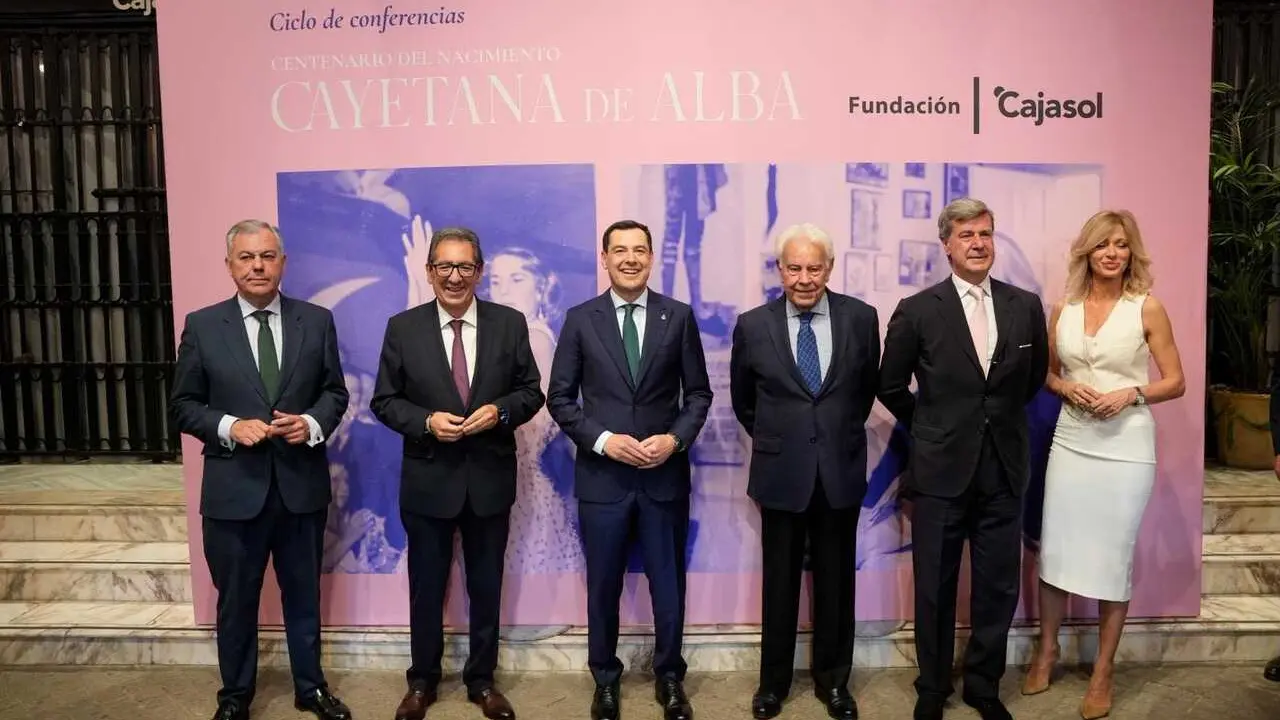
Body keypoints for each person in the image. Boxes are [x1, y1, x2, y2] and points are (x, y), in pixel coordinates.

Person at [169, 219, 353, 720]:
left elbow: (335, 393)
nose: (257, 266)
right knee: (236, 601)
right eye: (247, 257)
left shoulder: (316, 321)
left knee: (304, 596)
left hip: (300, 488)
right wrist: (230, 426)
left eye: (267, 256)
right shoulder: (204, 325)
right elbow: (183, 405)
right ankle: (235, 697)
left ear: (282, 263)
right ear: (230, 265)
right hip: (234, 491)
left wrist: (310, 423)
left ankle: (311, 688)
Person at [877, 198, 1049, 720]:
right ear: (947, 245)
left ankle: (983, 685)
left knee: (998, 586)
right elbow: (890, 384)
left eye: (985, 234)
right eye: (967, 235)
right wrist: (931, 427)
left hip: (1004, 469)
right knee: (935, 584)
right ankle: (932, 687)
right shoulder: (918, 309)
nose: (978, 244)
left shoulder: (1025, 306)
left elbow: (1031, 380)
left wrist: (990, 424)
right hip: (939, 471)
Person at [369, 226, 545, 720]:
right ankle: (422, 682)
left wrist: (500, 412)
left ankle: (482, 681)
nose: (454, 276)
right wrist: (426, 422)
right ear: (429, 272)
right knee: (426, 588)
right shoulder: (403, 328)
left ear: (479, 272)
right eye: (444, 266)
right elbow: (384, 400)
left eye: (465, 266)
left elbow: (531, 393)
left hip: (489, 481)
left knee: (486, 587)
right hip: (429, 481)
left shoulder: (509, 324)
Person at [546, 219, 712, 720]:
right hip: (604, 481)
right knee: (603, 586)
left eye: (639, 250)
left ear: (651, 257)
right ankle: (605, 679)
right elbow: (559, 398)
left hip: (664, 478)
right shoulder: (581, 319)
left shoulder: (677, 317)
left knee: (669, 586)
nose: (630, 259)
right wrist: (604, 441)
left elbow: (698, 394)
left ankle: (670, 678)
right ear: (605, 258)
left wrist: (674, 440)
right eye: (619, 250)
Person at [1023, 210, 1185, 718]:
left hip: (1126, 446)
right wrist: (1065, 386)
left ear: (1131, 252)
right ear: (1086, 252)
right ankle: (1046, 651)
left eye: (1120, 244)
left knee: (1113, 557)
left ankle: (1103, 670)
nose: (1112, 253)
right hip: (1071, 440)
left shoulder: (1147, 307)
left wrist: (1131, 393)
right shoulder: (1064, 308)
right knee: (1056, 550)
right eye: (1102, 245)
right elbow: (1045, 373)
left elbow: (1175, 380)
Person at [729, 222, 880, 720]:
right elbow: (744, 402)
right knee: (779, 584)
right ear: (779, 269)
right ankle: (772, 685)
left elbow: (862, 393)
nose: (804, 278)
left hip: (840, 469)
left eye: (814, 268)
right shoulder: (753, 325)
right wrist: (783, 441)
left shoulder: (861, 319)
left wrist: (830, 436)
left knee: (837, 585)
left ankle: (834, 683)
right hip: (781, 473)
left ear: (829, 268)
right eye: (794, 268)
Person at [486, 247, 584, 574]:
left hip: (516, 488)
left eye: (517, 279)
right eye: (496, 281)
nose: (504, 291)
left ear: (542, 287)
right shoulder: (508, 338)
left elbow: (532, 432)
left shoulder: (535, 340)